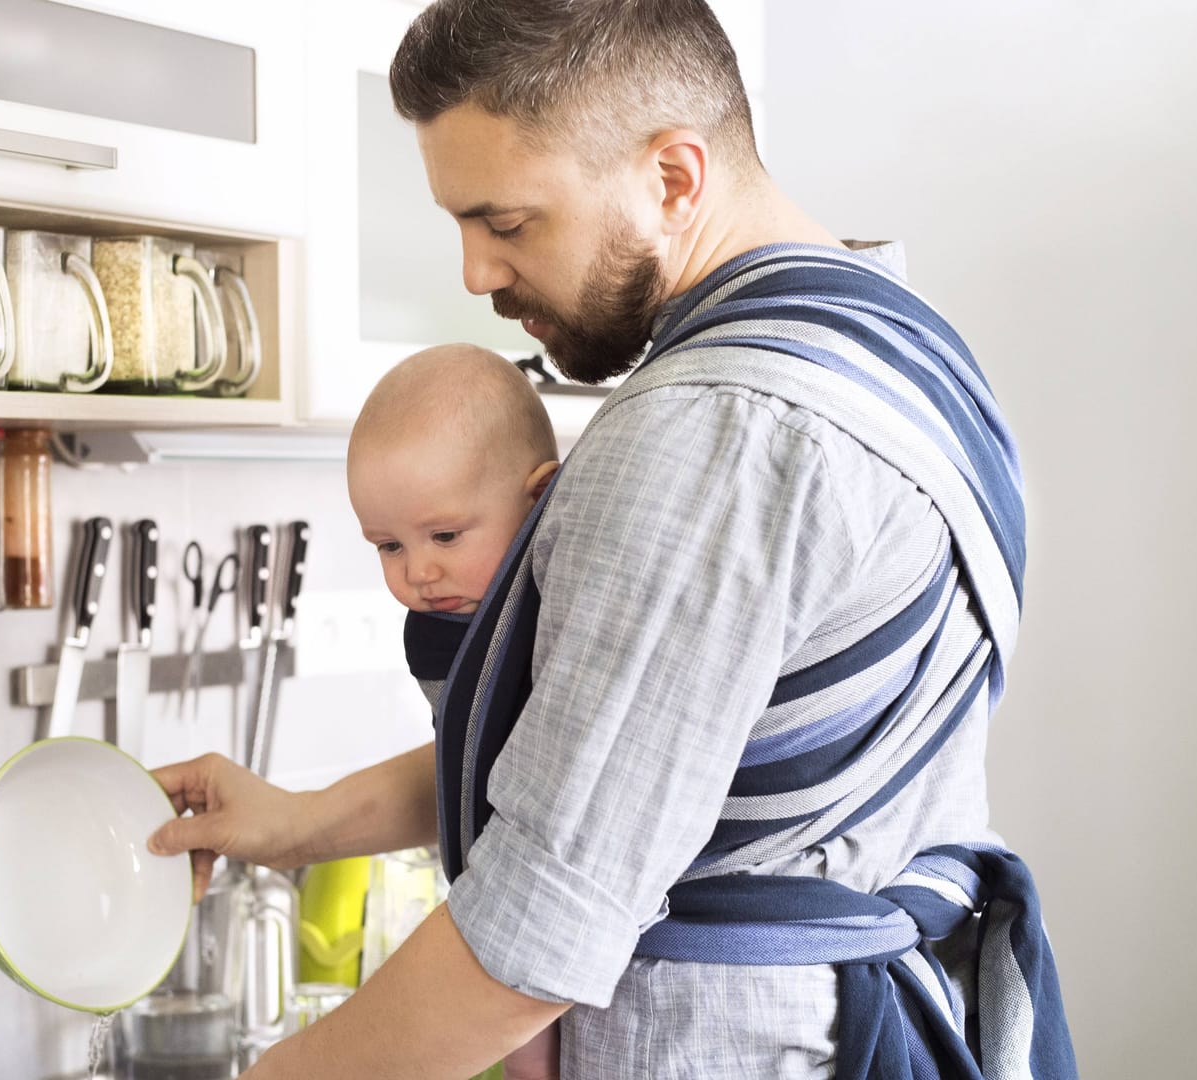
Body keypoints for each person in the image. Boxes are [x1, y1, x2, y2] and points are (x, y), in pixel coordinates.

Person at [147, 2, 1077, 1077]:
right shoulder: (905, 352)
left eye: (508, 224)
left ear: (673, 178)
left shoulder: (708, 432)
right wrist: (301, 823)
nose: (476, 274)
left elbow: (537, 932)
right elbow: (623, 757)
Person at [349, 343, 564, 1078]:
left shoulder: (569, 607)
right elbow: (468, 761)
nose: (419, 572)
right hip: (490, 890)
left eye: (444, 535)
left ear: (540, 500)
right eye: (388, 546)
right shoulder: (439, 630)